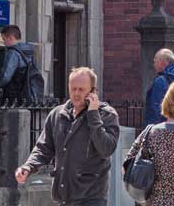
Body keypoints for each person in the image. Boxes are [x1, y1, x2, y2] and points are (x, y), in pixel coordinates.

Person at [16, 66, 120, 205]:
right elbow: (44, 148)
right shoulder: (58, 114)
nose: (76, 93)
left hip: (91, 197)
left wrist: (93, 115)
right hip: (63, 196)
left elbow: (106, 149)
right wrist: (28, 167)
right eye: (73, 89)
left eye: (81, 90)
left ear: (93, 91)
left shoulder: (106, 114)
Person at [0, 25, 37, 103]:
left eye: (4, 39)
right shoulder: (30, 51)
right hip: (28, 96)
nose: (4, 43)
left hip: (14, 97)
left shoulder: (13, 53)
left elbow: (6, 77)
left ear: (10, 38)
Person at [145, 49, 174, 125]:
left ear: (162, 62)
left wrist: (152, 129)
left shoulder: (161, 81)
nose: (154, 64)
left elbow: (156, 108)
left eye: (155, 61)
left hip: (164, 127)